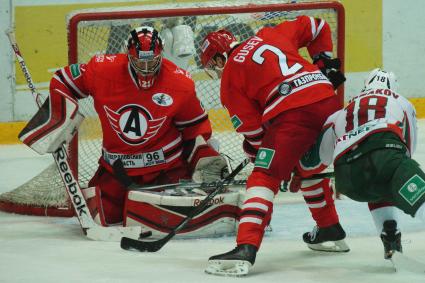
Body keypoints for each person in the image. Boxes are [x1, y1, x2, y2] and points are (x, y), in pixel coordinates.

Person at [18, 26, 228, 227]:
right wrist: (59, 116)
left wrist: (204, 153)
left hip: (167, 171)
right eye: (140, 63)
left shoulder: (179, 82)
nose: (146, 69)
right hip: (118, 172)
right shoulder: (102, 70)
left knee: (175, 218)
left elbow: (195, 126)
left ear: (161, 55)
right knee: (102, 217)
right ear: (128, 56)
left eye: (152, 62)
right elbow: (63, 79)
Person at [199, 15, 347, 276]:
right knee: (305, 165)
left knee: (264, 175)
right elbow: (318, 26)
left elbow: (255, 135)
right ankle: (329, 228)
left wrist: (267, 159)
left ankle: (245, 246)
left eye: (213, 64)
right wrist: (322, 62)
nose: (216, 70)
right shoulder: (269, 34)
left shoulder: (230, 78)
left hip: (294, 115)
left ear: (221, 58)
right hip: (327, 99)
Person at [303, 68, 424, 260]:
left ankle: (390, 236)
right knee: (404, 180)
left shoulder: (342, 111)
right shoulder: (401, 101)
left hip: (349, 181)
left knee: (376, 178)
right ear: (394, 86)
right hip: (384, 152)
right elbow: (407, 148)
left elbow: (321, 157)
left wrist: (299, 173)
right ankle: (391, 235)